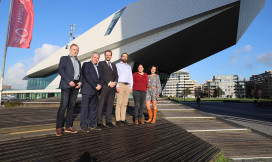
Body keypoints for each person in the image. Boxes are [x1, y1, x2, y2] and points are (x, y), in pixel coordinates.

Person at [56, 44, 82, 136]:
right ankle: (59, 127)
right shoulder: (64, 58)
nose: (75, 51)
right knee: (63, 106)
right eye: (74, 49)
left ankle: (68, 126)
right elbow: (61, 70)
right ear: (70, 50)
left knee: (71, 107)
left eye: (77, 50)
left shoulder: (78, 62)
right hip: (66, 85)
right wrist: (69, 81)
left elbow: (80, 74)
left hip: (75, 86)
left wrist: (80, 82)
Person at [80, 52, 104, 132]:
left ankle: (93, 125)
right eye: (95, 57)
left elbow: (102, 78)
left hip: (96, 91)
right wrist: (95, 85)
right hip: (87, 89)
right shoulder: (86, 64)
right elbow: (87, 76)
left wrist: (100, 85)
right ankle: (84, 126)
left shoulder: (99, 67)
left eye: (97, 58)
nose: (96, 59)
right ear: (91, 57)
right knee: (85, 108)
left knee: (94, 108)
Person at [97, 50, 118, 129]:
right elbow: (102, 75)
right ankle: (99, 121)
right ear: (104, 55)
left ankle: (108, 121)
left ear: (111, 56)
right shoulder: (101, 63)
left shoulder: (113, 65)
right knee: (101, 104)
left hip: (112, 88)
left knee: (110, 105)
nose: (108, 56)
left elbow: (116, 75)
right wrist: (109, 83)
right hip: (105, 87)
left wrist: (115, 83)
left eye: (109, 55)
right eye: (106, 55)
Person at [115, 53, 133, 126]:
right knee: (119, 103)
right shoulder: (117, 65)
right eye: (123, 56)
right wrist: (117, 85)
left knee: (125, 103)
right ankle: (118, 119)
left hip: (127, 85)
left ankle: (123, 119)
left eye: (126, 57)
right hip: (120, 84)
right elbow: (115, 76)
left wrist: (131, 87)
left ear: (127, 58)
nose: (125, 58)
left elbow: (130, 77)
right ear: (121, 57)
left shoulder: (129, 67)